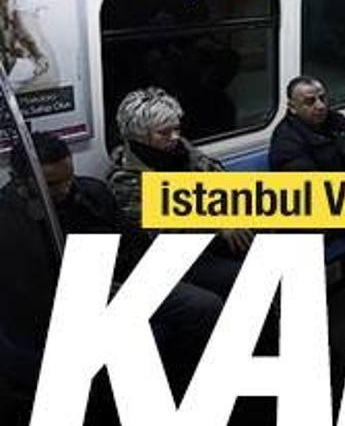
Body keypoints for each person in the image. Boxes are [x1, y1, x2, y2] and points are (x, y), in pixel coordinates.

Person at [2, 132, 222, 391]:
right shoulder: (9, 220)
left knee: (205, 305)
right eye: (52, 184)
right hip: (59, 301)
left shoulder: (91, 193)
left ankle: (182, 382)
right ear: (20, 181)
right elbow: (27, 292)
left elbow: (133, 242)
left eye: (69, 178)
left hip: (117, 278)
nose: (65, 189)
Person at [107, 86, 248, 297]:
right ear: (140, 136)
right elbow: (163, 231)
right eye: (164, 133)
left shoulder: (182, 152)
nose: (174, 137)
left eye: (176, 129)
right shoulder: (127, 179)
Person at [269, 76, 345, 172]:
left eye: (322, 98)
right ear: (293, 107)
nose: (320, 106)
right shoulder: (286, 141)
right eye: (310, 102)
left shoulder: (337, 121)